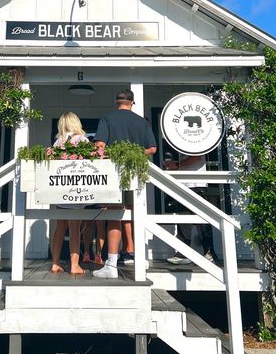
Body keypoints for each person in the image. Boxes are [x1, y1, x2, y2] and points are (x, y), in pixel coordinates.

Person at [92, 90, 157, 278]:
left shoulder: (107, 118)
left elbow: (100, 146)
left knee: (114, 215)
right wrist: (134, 154)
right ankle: (134, 253)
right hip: (136, 173)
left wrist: (116, 155)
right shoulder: (142, 122)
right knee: (134, 212)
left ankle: (111, 264)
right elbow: (152, 148)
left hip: (114, 174)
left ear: (116, 102)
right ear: (132, 103)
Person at [50, 112, 89, 275]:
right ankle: (74, 265)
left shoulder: (58, 141)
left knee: (60, 227)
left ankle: (55, 263)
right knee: (75, 227)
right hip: (77, 189)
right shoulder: (82, 140)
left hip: (61, 189)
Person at [164, 153, 216, 264]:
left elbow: (197, 157)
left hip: (196, 183)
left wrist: (177, 165)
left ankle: (209, 252)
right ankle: (184, 253)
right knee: (183, 218)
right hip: (184, 184)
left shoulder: (197, 140)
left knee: (201, 220)